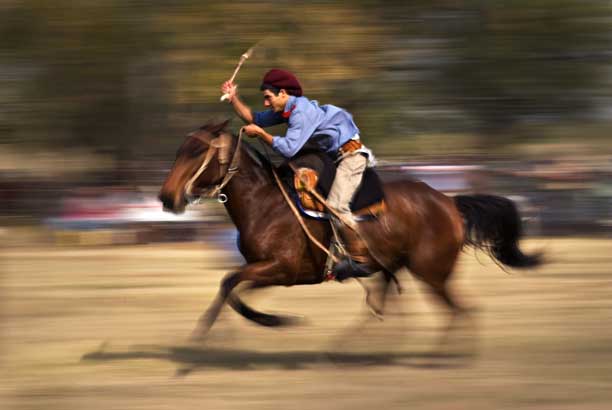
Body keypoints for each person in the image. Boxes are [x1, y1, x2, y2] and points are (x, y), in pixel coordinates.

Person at [221, 68, 376, 278]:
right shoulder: (287, 109)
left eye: (268, 98)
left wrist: (261, 134)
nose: (266, 103)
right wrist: (233, 98)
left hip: (351, 157)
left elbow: (288, 149)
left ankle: (359, 260)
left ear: (283, 93)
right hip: (332, 157)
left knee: (337, 205)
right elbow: (254, 118)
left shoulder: (300, 112)